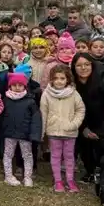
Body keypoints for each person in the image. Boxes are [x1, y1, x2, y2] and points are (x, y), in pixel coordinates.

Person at [40, 64, 85, 193]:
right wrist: (42, 132)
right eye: (56, 78)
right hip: (53, 131)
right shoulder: (46, 94)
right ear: (51, 79)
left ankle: (70, 180)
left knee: (69, 156)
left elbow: (80, 110)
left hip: (70, 132)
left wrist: (74, 124)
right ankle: (58, 181)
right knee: (55, 156)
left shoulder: (74, 93)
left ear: (67, 79)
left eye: (62, 78)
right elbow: (43, 113)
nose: (59, 81)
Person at [71, 53, 104, 182]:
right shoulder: (72, 86)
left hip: (103, 124)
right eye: (79, 65)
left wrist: (101, 130)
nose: (83, 68)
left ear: (92, 65)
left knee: (101, 144)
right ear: (74, 68)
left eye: (87, 64)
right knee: (83, 142)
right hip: (82, 123)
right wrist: (84, 128)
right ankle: (90, 170)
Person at [1, 72, 42, 186]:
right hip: (9, 134)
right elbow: (1, 116)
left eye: (20, 85)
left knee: (27, 155)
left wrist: (35, 134)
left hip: (25, 134)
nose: (17, 87)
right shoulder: (6, 100)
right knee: (8, 155)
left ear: (25, 86)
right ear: (10, 86)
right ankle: (8, 176)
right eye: (14, 85)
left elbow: (36, 119)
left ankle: (28, 177)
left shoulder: (30, 101)